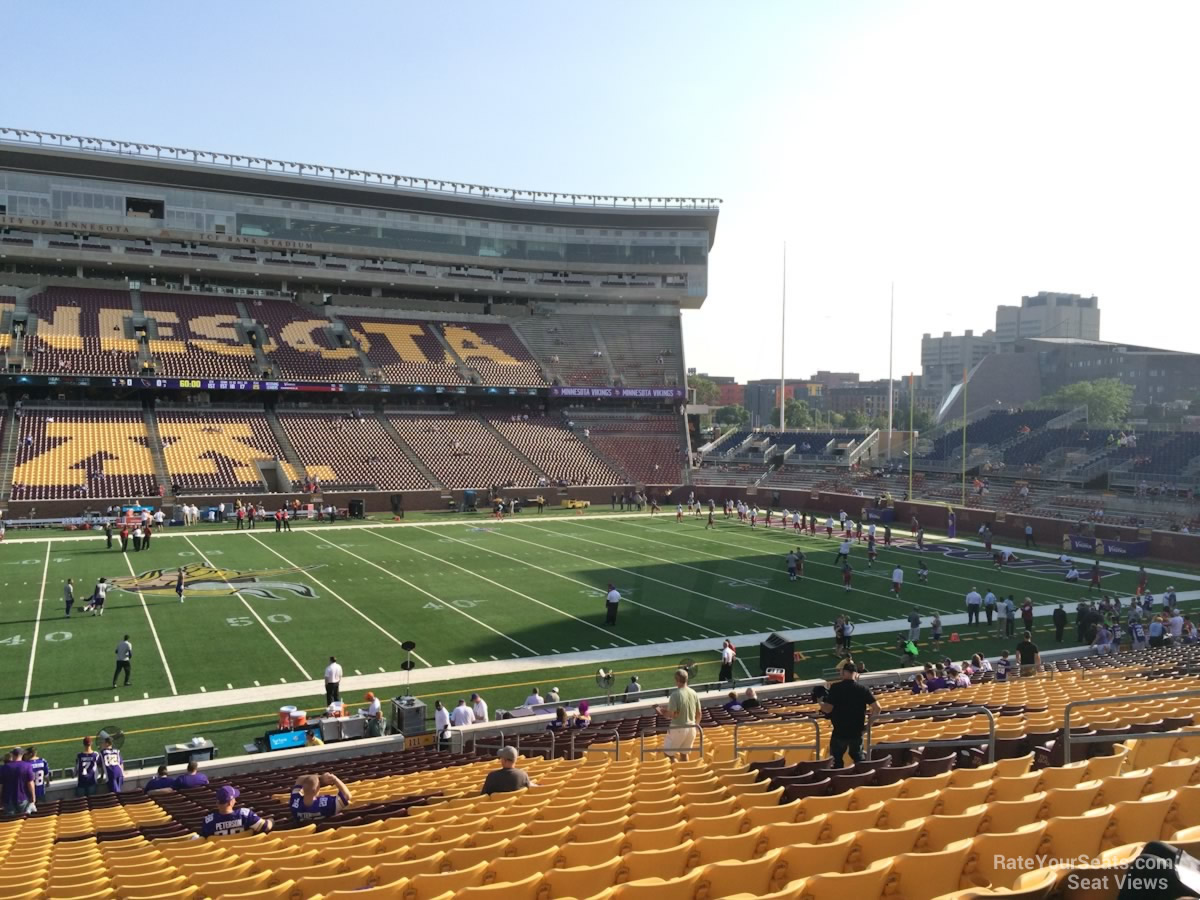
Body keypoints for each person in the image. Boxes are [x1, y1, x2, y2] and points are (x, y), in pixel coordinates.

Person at [820, 662, 881, 766]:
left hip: (840, 732)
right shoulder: (863, 689)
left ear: (844, 672)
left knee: (836, 761)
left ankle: (840, 779)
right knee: (859, 759)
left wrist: (820, 702)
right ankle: (861, 777)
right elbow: (878, 708)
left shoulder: (836, 687)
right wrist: (868, 726)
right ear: (856, 674)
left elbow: (828, 709)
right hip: (857, 732)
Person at [657, 668, 700, 761]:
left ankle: (678, 771)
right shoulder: (694, 693)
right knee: (684, 754)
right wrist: (696, 726)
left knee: (668, 754)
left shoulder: (675, 695)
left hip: (678, 728)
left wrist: (663, 712)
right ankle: (686, 774)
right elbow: (699, 713)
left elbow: (672, 715)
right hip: (692, 727)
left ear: (676, 680)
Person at [201, 785, 274, 837]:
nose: (235, 800)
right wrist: (271, 820)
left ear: (217, 803)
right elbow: (266, 827)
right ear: (230, 802)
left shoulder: (208, 822)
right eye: (234, 798)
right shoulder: (246, 815)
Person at [1, 748, 35, 816]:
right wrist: (33, 798)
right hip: (23, 799)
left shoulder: (3, 768)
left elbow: (0, 786)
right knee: (24, 818)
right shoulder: (27, 766)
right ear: (22, 755)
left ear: (12, 755)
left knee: (11, 822)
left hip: (8, 800)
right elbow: (30, 784)